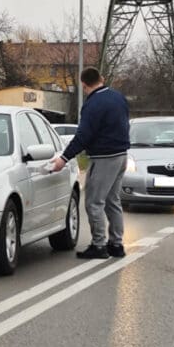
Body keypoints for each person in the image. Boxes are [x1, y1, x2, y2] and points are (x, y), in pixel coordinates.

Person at [50, 67, 130, 259]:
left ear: (84, 85)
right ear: (101, 78)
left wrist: (63, 158)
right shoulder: (118, 97)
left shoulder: (93, 104)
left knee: (94, 202)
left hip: (104, 157)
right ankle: (116, 245)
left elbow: (83, 136)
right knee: (113, 201)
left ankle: (99, 245)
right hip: (121, 156)